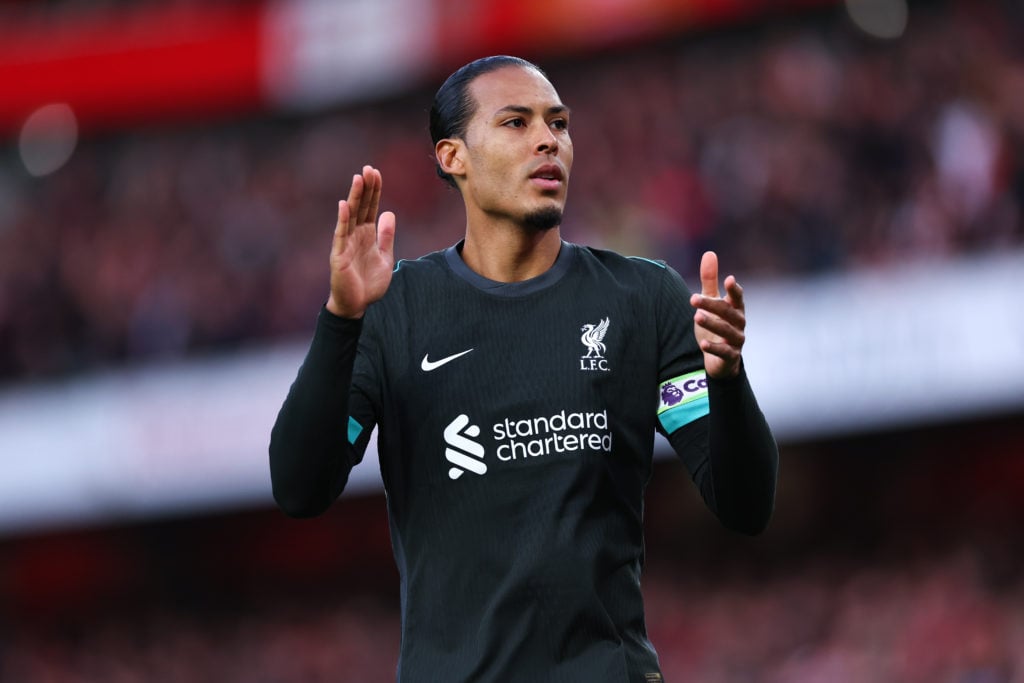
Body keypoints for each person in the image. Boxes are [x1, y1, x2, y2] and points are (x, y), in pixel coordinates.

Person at [269, 55, 778, 682]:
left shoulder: (643, 299)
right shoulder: (392, 312)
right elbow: (300, 488)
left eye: (558, 123)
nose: (549, 140)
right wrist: (341, 319)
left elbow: (745, 505)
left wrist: (728, 380)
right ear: (453, 157)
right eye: (516, 122)